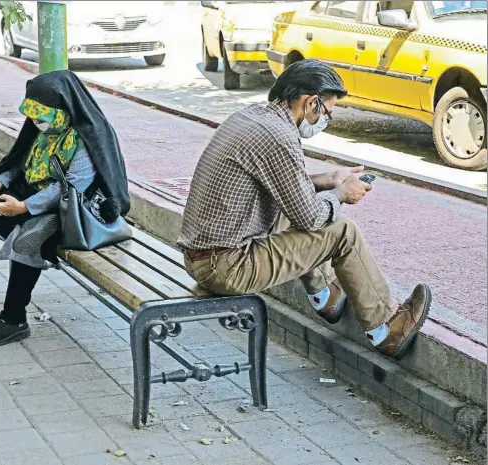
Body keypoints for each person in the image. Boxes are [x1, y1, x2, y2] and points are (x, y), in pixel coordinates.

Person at [177, 60, 431, 360]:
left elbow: (285, 188)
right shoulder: (279, 137)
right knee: (343, 233)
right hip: (226, 268)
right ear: (311, 102)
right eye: (327, 112)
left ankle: (324, 293)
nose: (326, 120)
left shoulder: (253, 118)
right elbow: (310, 217)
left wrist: (327, 180)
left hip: (205, 257)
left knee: (294, 205)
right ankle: (385, 329)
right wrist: (340, 193)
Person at [0, 70, 130, 347]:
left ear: (63, 110)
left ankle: (13, 319)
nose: (35, 122)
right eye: (32, 115)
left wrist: (24, 206)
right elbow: (20, 166)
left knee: (29, 239)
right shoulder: (45, 134)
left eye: (42, 116)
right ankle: (31, 226)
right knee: (15, 217)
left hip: (78, 212)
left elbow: (69, 188)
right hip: (42, 202)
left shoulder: (86, 140)